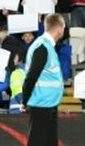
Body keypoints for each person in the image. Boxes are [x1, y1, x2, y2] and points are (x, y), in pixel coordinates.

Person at [22, 14, 65, 146]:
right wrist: (25, 100)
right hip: (41, 104)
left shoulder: (47, 46)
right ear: (60, 29)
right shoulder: (43, 47)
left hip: (48, 103)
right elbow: (31, 76)